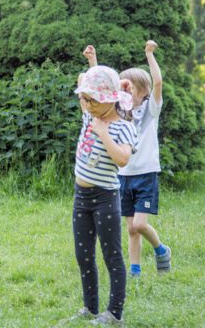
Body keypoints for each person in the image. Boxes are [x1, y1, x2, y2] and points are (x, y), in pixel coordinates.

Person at [72, 48, 137, 326]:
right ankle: (90, 308)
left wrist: (103, 134)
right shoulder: (91, 113)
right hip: (81, 196)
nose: (85, 105)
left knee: (112, 255)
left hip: (105, 198)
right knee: (83, 254)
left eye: (90, 100)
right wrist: (92, 64)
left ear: (108, 101)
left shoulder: (122, 127)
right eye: (84, 100)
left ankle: (114, 314)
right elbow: (85, 80)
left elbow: (122, 159)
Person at [118, 41, 171, 277]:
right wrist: (92, 62)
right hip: (124, 176)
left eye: (130, 88)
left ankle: (161, 250)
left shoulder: (152, 109)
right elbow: (100, 93)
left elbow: (158, 82)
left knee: (139, 224)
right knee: (131, 229)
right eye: (123, 88)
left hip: (146, 174)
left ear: (143, 91)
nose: (126, 91)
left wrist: (149, 54)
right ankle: (135, 272)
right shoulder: (118, 111)